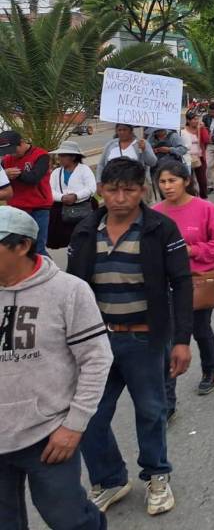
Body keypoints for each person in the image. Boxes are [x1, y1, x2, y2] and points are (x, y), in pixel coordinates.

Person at [67, 157, 193, 517]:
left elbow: (182, 283)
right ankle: (110, 479)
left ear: (142, 191)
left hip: (144, 340)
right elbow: (73, 288)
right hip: (96, 344)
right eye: (112, 190)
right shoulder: (86, 231)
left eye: (130, 190)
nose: (120, 197)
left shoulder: (160, 229)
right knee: (89, 415)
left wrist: (181, 340)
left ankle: (157, 476)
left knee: (151, 412)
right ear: (102, 191)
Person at [0, 205, 112, 530]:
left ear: (21, 246)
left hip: (48, 436)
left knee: (69, 520)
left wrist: (74, 426)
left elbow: (96, 359)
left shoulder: (68, 291)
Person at [153, 160, 214, 397]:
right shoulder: (155, 213)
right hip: (164, 284)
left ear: (186, 181)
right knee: (168, 336)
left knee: (200, 329)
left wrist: (192, 251)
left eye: (172, 180)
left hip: (197, 281)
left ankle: (210, 370)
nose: (167, 186)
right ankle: (168, 397)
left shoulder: (205, 209)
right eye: (163, 181)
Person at [0, 131, 53, 257]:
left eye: (13, 150)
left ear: (22, 143)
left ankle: (49, 273)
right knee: (19, 248)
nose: (11, 153)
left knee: (38, 248)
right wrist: (4, 175)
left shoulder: (41, 155)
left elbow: (34, 178)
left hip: (38, 208)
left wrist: (15, 174)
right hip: (16, 208)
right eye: (7, 151)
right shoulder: (7, 160)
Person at [47, 140, 98, 251]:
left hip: (83, 209)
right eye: (59, 155)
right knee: (68, 240)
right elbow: (50, 190)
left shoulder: (84, 170)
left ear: (73, 157)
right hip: (63, 210)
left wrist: (76, 196)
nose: (59, 158)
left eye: (63, 155)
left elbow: (91, 188)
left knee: (84, 239)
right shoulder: (56, 173)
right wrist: (62, 198)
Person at [180, 112, 209, 199]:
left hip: (199, 158)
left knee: (202, 180)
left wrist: (202, 128)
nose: (196, 121)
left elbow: (207, 139)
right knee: (189, 180)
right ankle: (191, 198)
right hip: (187, 158)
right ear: (188, 120)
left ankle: (204, 198)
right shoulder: (182, 131)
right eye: (194, 119)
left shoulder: (200, 129)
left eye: (197, 119)